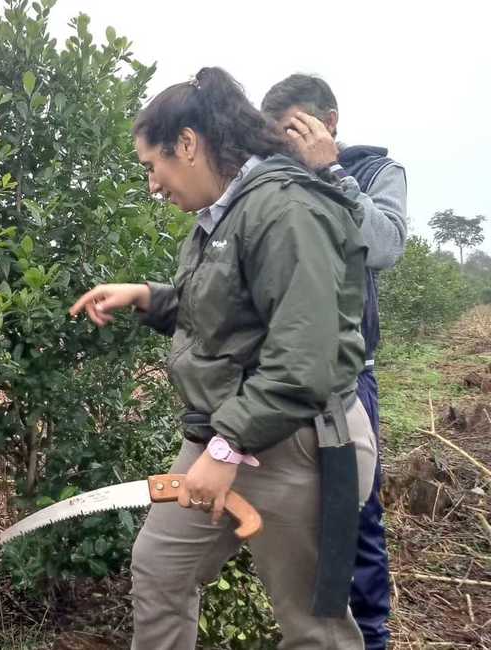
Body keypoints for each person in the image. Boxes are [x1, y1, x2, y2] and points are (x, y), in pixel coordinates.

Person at [70, 67, 377, 649]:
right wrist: (149, 297)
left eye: (151, 166)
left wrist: (227, 446)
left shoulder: (286, 211)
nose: (153, 185)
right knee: (161, 566)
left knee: (314, 627)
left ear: (187, 143)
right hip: (225, 431)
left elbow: (304, 354)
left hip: (300, 446)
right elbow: (226, 310)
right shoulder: (221, 216)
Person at [262, 74, 407, 650]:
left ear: (330, 122)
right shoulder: (274, 177)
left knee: (357, 520)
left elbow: (385, 244)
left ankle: (371, 638)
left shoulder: (375, 173)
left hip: (349, 380)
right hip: (281, 378)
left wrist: (330, 170)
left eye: (297, 130)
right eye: (278, 135)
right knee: (292, 519)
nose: (287, 144)